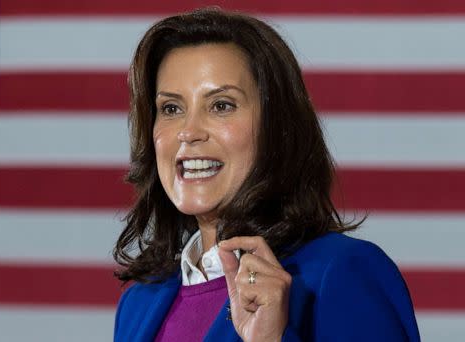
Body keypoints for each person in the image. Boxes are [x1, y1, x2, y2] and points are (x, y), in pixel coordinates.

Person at [113, 8, 420, 342]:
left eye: (221, 105)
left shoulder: (341, 272)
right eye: (171, 108)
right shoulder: (138, 303)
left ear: (276, 127)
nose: (188, 132)